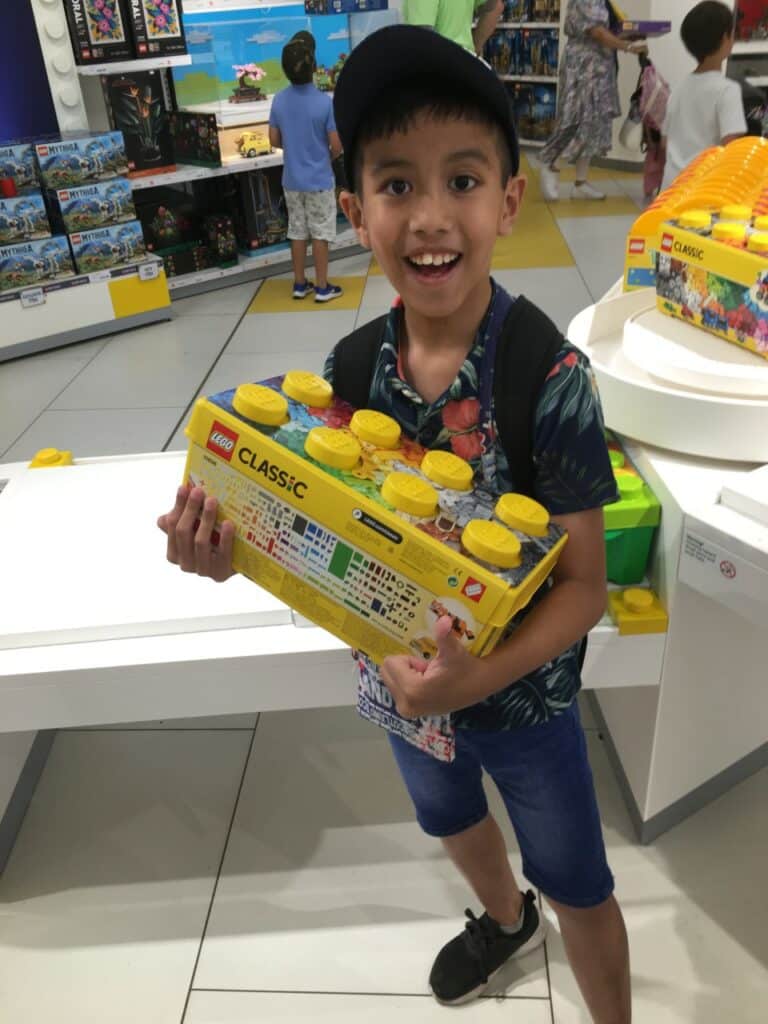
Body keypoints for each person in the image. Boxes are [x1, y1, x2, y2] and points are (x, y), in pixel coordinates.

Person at [159, 25, 631, 1023]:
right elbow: (321, 537)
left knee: (580, 879)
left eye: (462, 179)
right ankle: (506, 920)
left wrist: (476, 677)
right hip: (399, 684)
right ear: (351, 210)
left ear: (508, 201)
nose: (429, 216)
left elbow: (585, 585)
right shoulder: (347, 369)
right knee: (448, 814)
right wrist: (231, 552)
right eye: (395, 184)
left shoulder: (547, 379)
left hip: (525, 704)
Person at [539, 1, 647, 201]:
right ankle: (549, 161)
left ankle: (580, 183)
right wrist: (628, 46)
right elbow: (596, 31)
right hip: (583, 67)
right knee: (573, 119)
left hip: (600, 68)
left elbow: (605, 31)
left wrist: (630, 34)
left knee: (593, 124)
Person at [268, 33, 344, 302]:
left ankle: (300, 284)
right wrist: (325, 154)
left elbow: (274, 140)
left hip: (292, 180)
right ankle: (323, 287)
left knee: (297, 231)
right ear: (313, 67)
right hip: (320, 180)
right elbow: (337, 146)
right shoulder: (325, 103)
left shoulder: (279, 100)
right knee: (321, 233)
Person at [660, 1, 746, 192]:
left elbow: (665, 141)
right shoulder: (727, 90)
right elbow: (733, 150)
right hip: (703, 192)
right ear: (726, 38)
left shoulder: (679, 87)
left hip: (670, 190)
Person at [403, 0, 504, 55]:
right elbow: (493, 6)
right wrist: (475, 49)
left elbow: (422, 36)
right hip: (464, 61)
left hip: (441, 66)